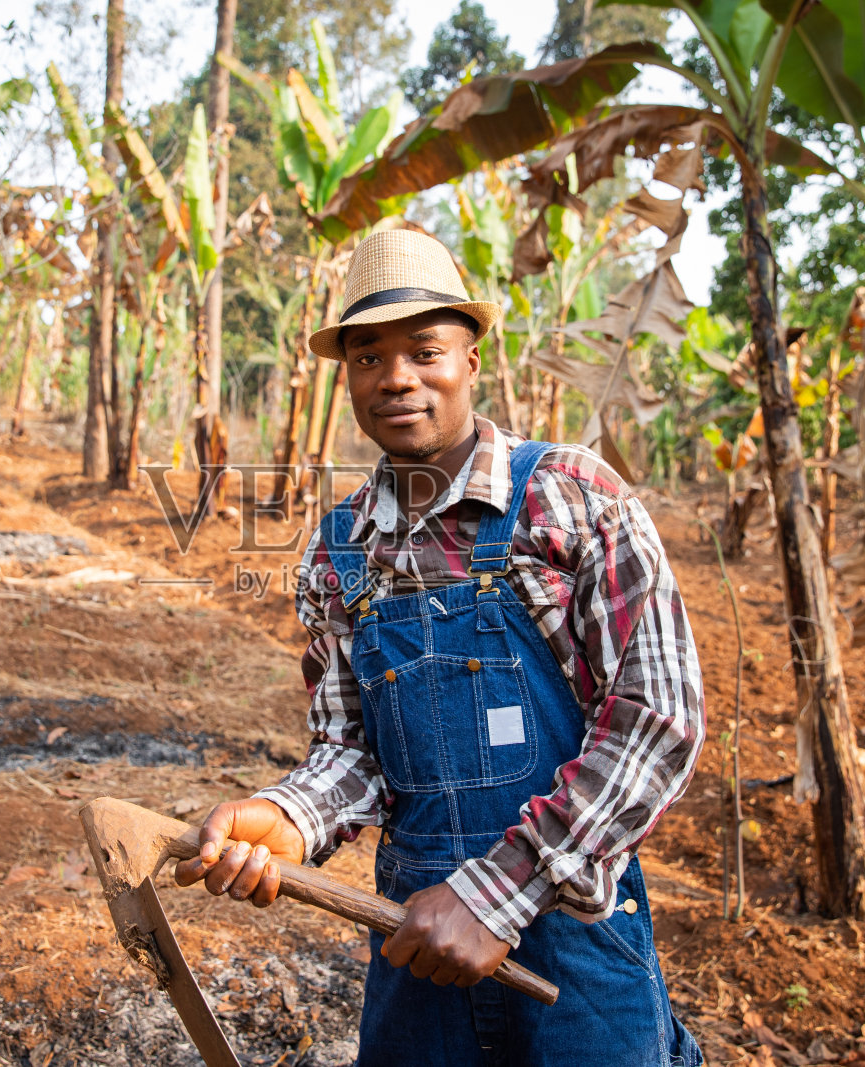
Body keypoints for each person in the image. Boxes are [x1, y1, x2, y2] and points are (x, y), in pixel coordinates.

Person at [175, 229, 704, 1066]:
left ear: (471, 357)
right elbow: (353, 750)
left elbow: (659, 718)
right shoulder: (341, 548)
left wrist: (501, 893)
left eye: (425, 349)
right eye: (367, 357)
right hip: (416, 939)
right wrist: (288, 816)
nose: (396, 378)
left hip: (574, 945)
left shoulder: (571, 497)